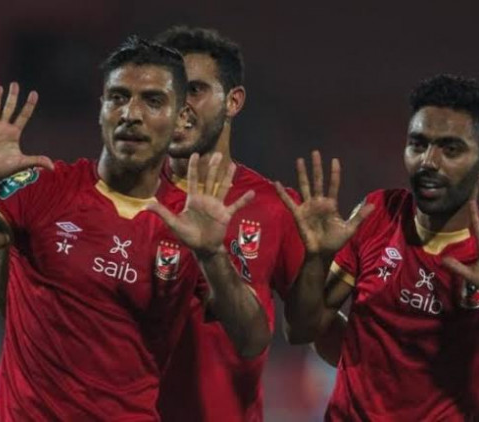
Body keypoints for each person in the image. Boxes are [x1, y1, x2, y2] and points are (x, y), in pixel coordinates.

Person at [0, 36, 269, 420]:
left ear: (181, 119)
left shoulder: (189, 222)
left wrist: (212, 254)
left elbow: (252, 340)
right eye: (118, 97)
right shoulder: (44, 188)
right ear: (101, 108)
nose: (131, 113)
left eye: (153, 101)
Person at [278, 74, 479, 420]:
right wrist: (317, 259)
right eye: (418, 144)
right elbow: (300, 330)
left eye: (450, 149)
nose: (428, 162)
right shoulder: (378, 213)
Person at [153, 26, 305, 421]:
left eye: (195, 90)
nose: (179, 105)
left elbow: (306, 328)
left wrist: (320, 260)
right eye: (167, 92)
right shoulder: (127, 199)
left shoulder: (276, 208)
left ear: (233, 101)